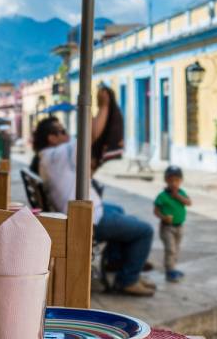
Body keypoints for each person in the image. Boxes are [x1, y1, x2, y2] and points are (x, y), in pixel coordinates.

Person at [33, 116, 155, 296]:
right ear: (52, 138)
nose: (67, 135)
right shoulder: (57, 155)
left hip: (83, 212)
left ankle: (117, 261)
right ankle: (128, 279)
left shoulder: (48, 158)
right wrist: (105, 107)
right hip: (87, 219)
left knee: (120, 211)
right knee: (145, 231)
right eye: (62, 131)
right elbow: (88, 136)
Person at [154, 165, 191, 283]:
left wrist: (178, 196)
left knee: (176, 248)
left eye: (177, 180)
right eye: (171, 180)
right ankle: (169, 271)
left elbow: (189, 202)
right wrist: (163, 217)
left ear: (181, 181)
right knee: (170, 249)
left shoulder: (182, 193)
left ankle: (173, 268)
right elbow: (156, 211)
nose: (174, 183)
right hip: (167, 228)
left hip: (179, 226)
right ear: (166, 180)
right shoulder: (162, 196)